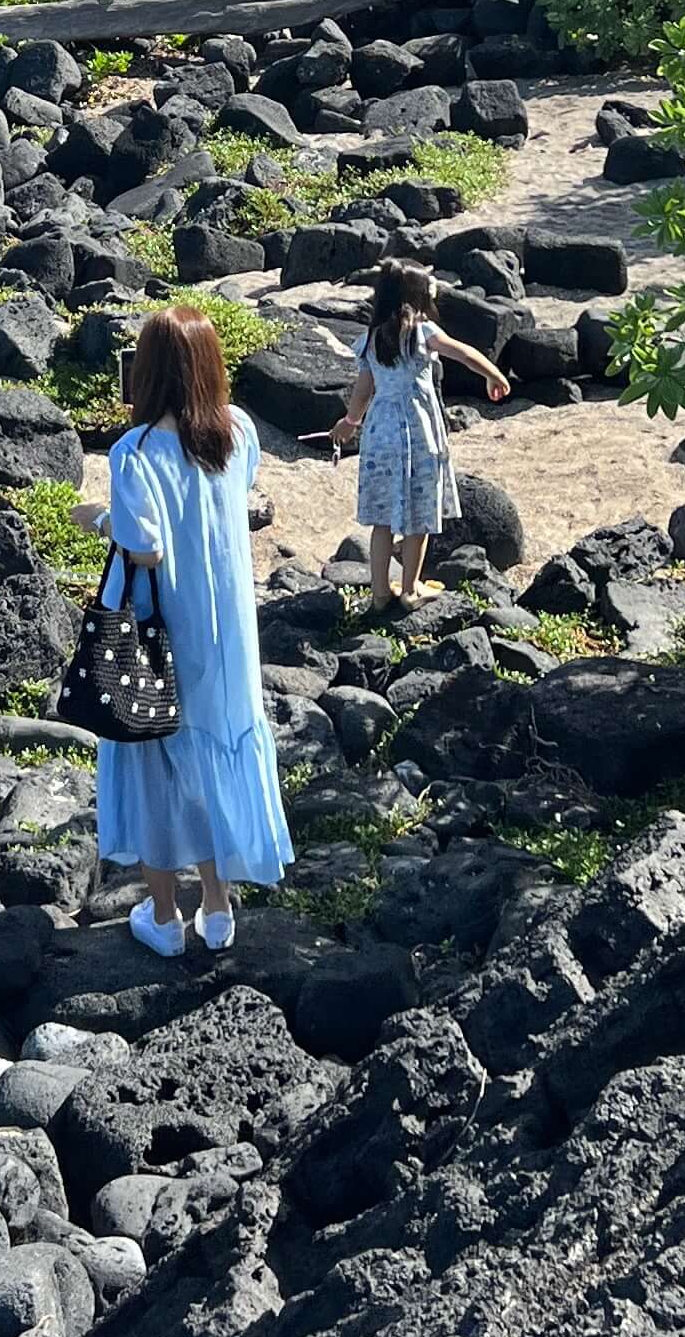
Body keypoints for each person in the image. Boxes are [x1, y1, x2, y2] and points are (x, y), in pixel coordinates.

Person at [99, 305, 293, 961]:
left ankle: (163, 915)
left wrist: (99, 519)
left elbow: (144, 548)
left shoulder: (135, 454)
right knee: (214, 757)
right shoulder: (237, 432)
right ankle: (216, 907)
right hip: (230, 635)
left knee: (155, 761)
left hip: (163, 633)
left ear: (147, 374)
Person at [328, 259, 509, 611]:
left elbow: (363, 391)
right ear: (417, 297)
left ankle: (380, 594)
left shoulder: (370, 339)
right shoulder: (423, 334)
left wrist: (349, 422)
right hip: (418, 431)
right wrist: (494, 375)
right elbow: (466, 353)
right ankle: (409, 589)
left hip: (380, 434)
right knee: (419, 517)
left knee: (382, 520)